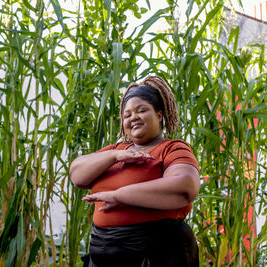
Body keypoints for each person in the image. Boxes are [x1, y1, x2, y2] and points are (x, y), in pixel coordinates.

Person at [69, 75, 201, 267]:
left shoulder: (172, 148)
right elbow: (77, 174)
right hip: (103, 252)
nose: (134, 118)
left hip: (156, 253)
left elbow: (185, 187)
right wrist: (114, 156)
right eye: (127, 115)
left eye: (142, 110)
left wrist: (120, 195)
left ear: (159, 115)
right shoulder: (115, 150)